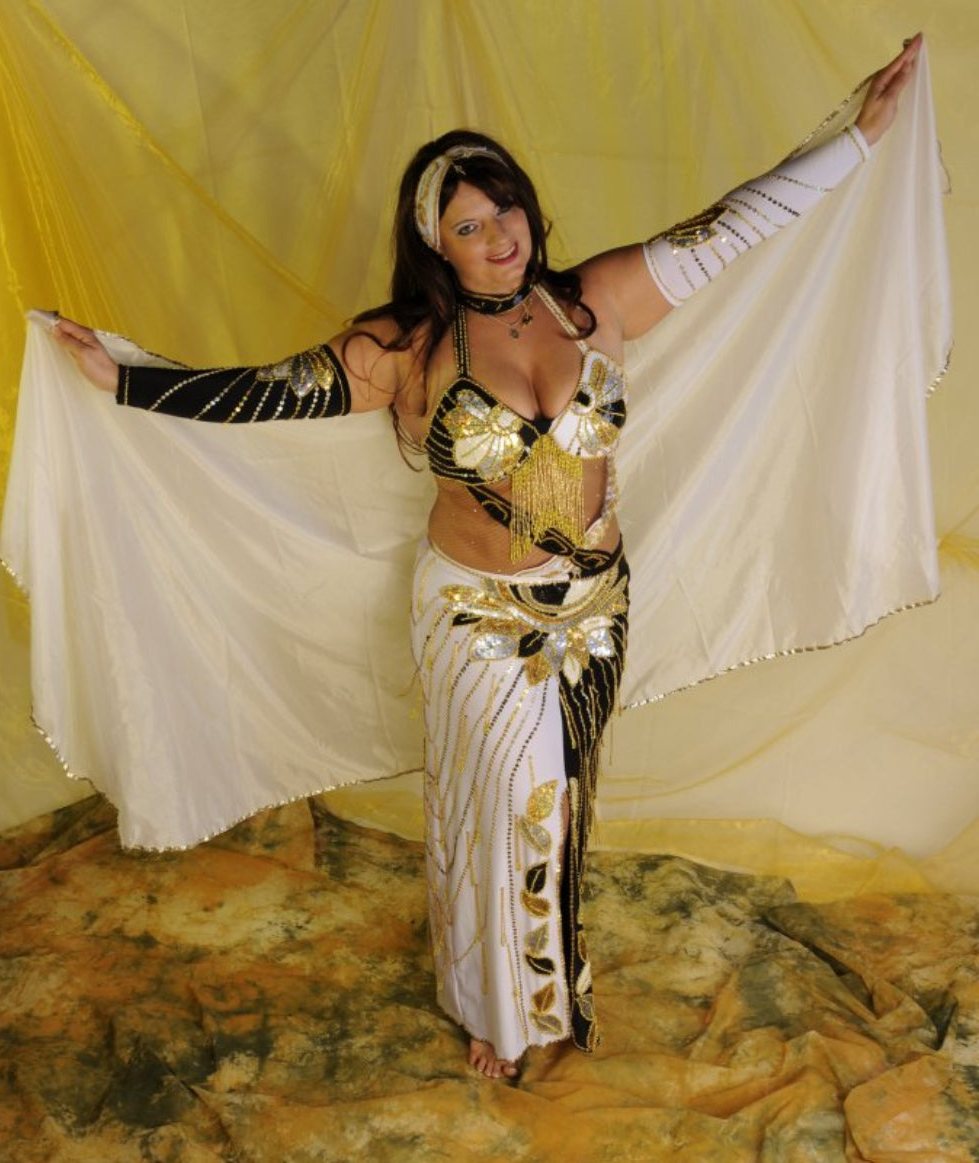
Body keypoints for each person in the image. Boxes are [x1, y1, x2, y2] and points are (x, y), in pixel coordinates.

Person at [52, 36, 921, 1079]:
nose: (497, 234)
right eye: (468, 224)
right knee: (502, 803)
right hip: (477, 614)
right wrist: (124, 381)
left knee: (559, 807)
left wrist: (859, 142)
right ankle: (515, 1017)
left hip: (594, 602)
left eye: (503, 209)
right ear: (437, 246)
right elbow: (265, 390)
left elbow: (735, 224)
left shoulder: (589, 302)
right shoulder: (406, 349)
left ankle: (531, 993)